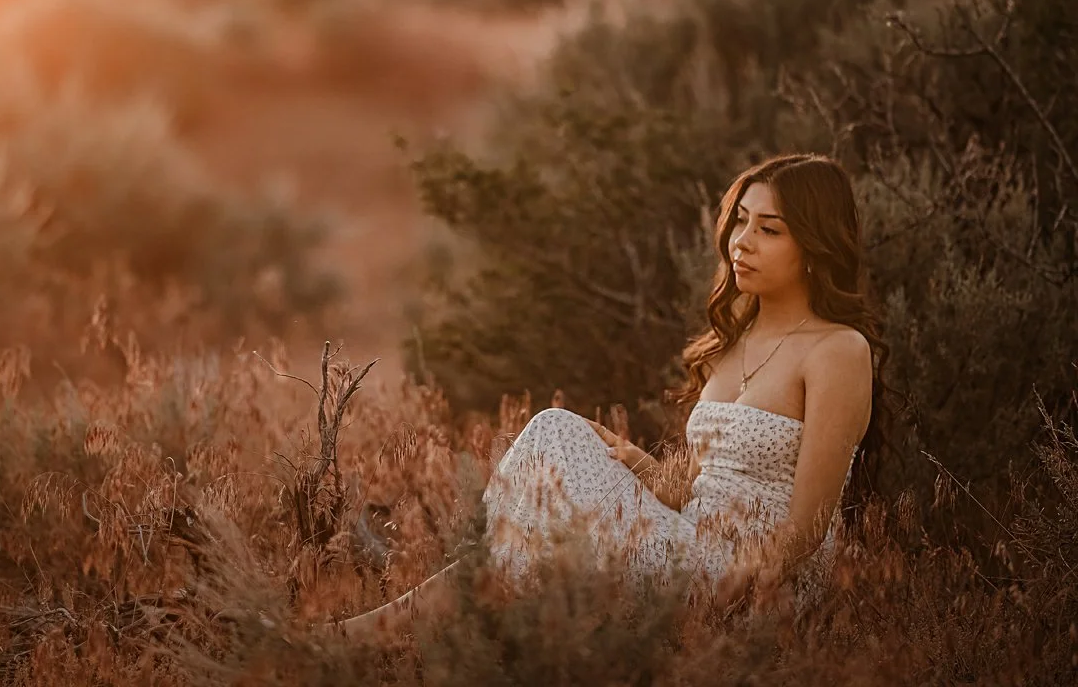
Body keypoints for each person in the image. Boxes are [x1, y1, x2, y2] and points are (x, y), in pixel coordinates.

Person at [324, 153, 891, 643]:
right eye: (740, 221)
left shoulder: (838, 351)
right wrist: (639, 464)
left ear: (814, 244)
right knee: (556, 441)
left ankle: (406, 612)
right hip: (688, 542)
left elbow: (810, 524)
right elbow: (702, 487)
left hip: (751, 577)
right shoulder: (734, 340)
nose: (742, 242)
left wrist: (731, 589)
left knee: (544, 456)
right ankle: (432, 604)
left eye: (770, 230)